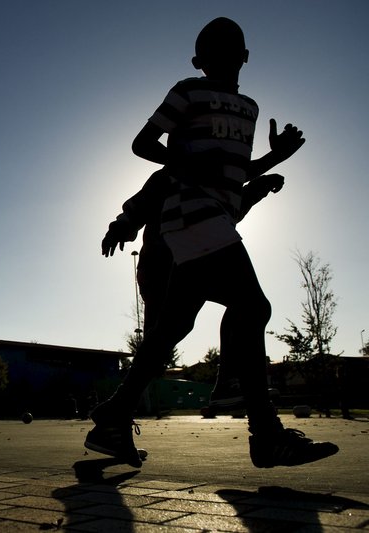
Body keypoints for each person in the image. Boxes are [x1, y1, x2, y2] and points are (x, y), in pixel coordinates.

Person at [85, 17, 338, 469]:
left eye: (232, 50)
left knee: (170, 331)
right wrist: (133, 213)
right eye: (214, 52)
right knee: (253, 307)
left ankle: (113, 416)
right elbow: (144, 144)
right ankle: (265, 433)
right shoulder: (186, 90)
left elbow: (229, 173)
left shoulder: (250, 107)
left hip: (213, 219)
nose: (225, 59)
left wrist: (271, 159)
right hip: (190, 216)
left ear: (245, 57)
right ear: (198, 62)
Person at [101, 168, 287, 411]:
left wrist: (259, 187)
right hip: (163, 266)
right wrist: (122, 225)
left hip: (199, 259)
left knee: (248, 305)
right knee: (163, 339)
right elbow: (147, 197)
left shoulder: (219, 183)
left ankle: (229, 383)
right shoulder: (180, 169)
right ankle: (116, 413)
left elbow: (232, 208)